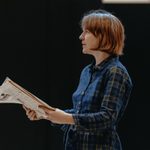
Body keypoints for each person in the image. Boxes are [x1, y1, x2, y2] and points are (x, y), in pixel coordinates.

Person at [23, 9, 133, 150]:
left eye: (86, 32)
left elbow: (107, 118)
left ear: (104, 35)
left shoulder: (116, 72)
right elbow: (80, 113)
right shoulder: (87, 71)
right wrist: (45, 114)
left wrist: (67, 118)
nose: (81, 37)